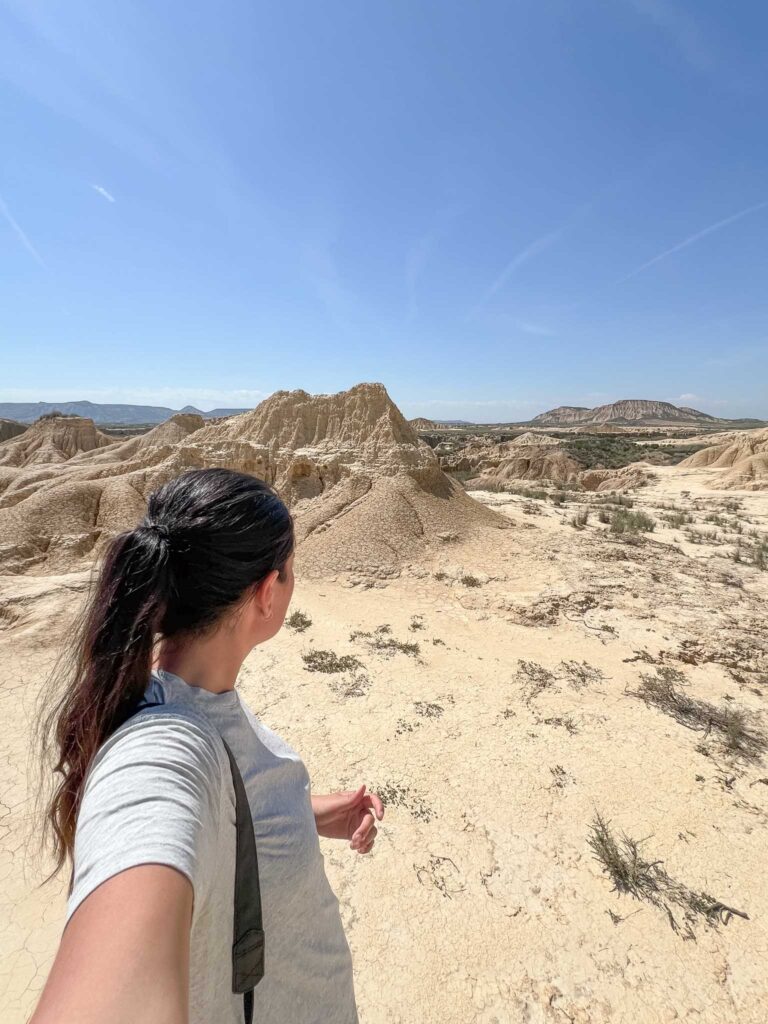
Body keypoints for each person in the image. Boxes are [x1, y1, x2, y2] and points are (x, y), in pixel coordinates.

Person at [32, 467, 383, 1024]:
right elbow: (155, 816)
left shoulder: (190, 696)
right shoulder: (164, 750)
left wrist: (306, 813)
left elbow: (225, 815)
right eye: (291, 573)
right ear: (267, 592)